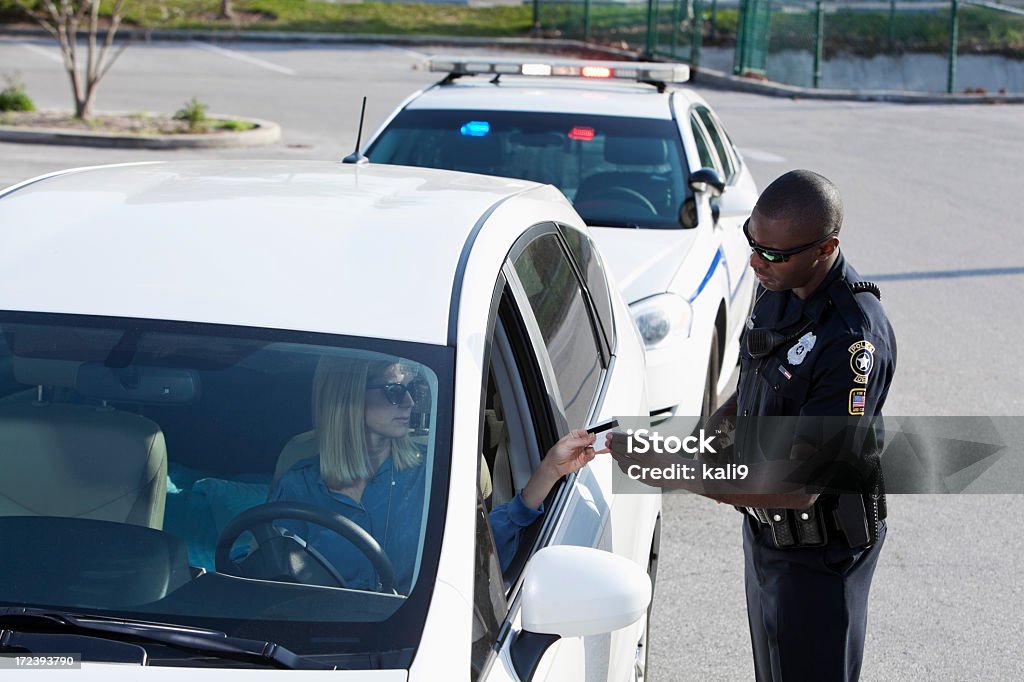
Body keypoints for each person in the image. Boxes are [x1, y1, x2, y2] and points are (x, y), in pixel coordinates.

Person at [607, 170, 896, 681]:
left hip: (821, 559)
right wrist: (697, 444)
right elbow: (752, 390)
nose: (757, 262)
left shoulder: (852, 340)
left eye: (775, 253)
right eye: (752, 244)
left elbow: (801, 483)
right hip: (768, 535)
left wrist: (673, 471)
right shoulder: (778, 287)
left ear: (826, 247)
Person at [270, 355, 598, 593]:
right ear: (349, 397)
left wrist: (549, 471)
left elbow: (481, 552)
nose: (410, 401)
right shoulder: (297, 487)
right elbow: (269, 577)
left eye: (412, 389)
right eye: (394, 391)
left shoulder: (432, 473)